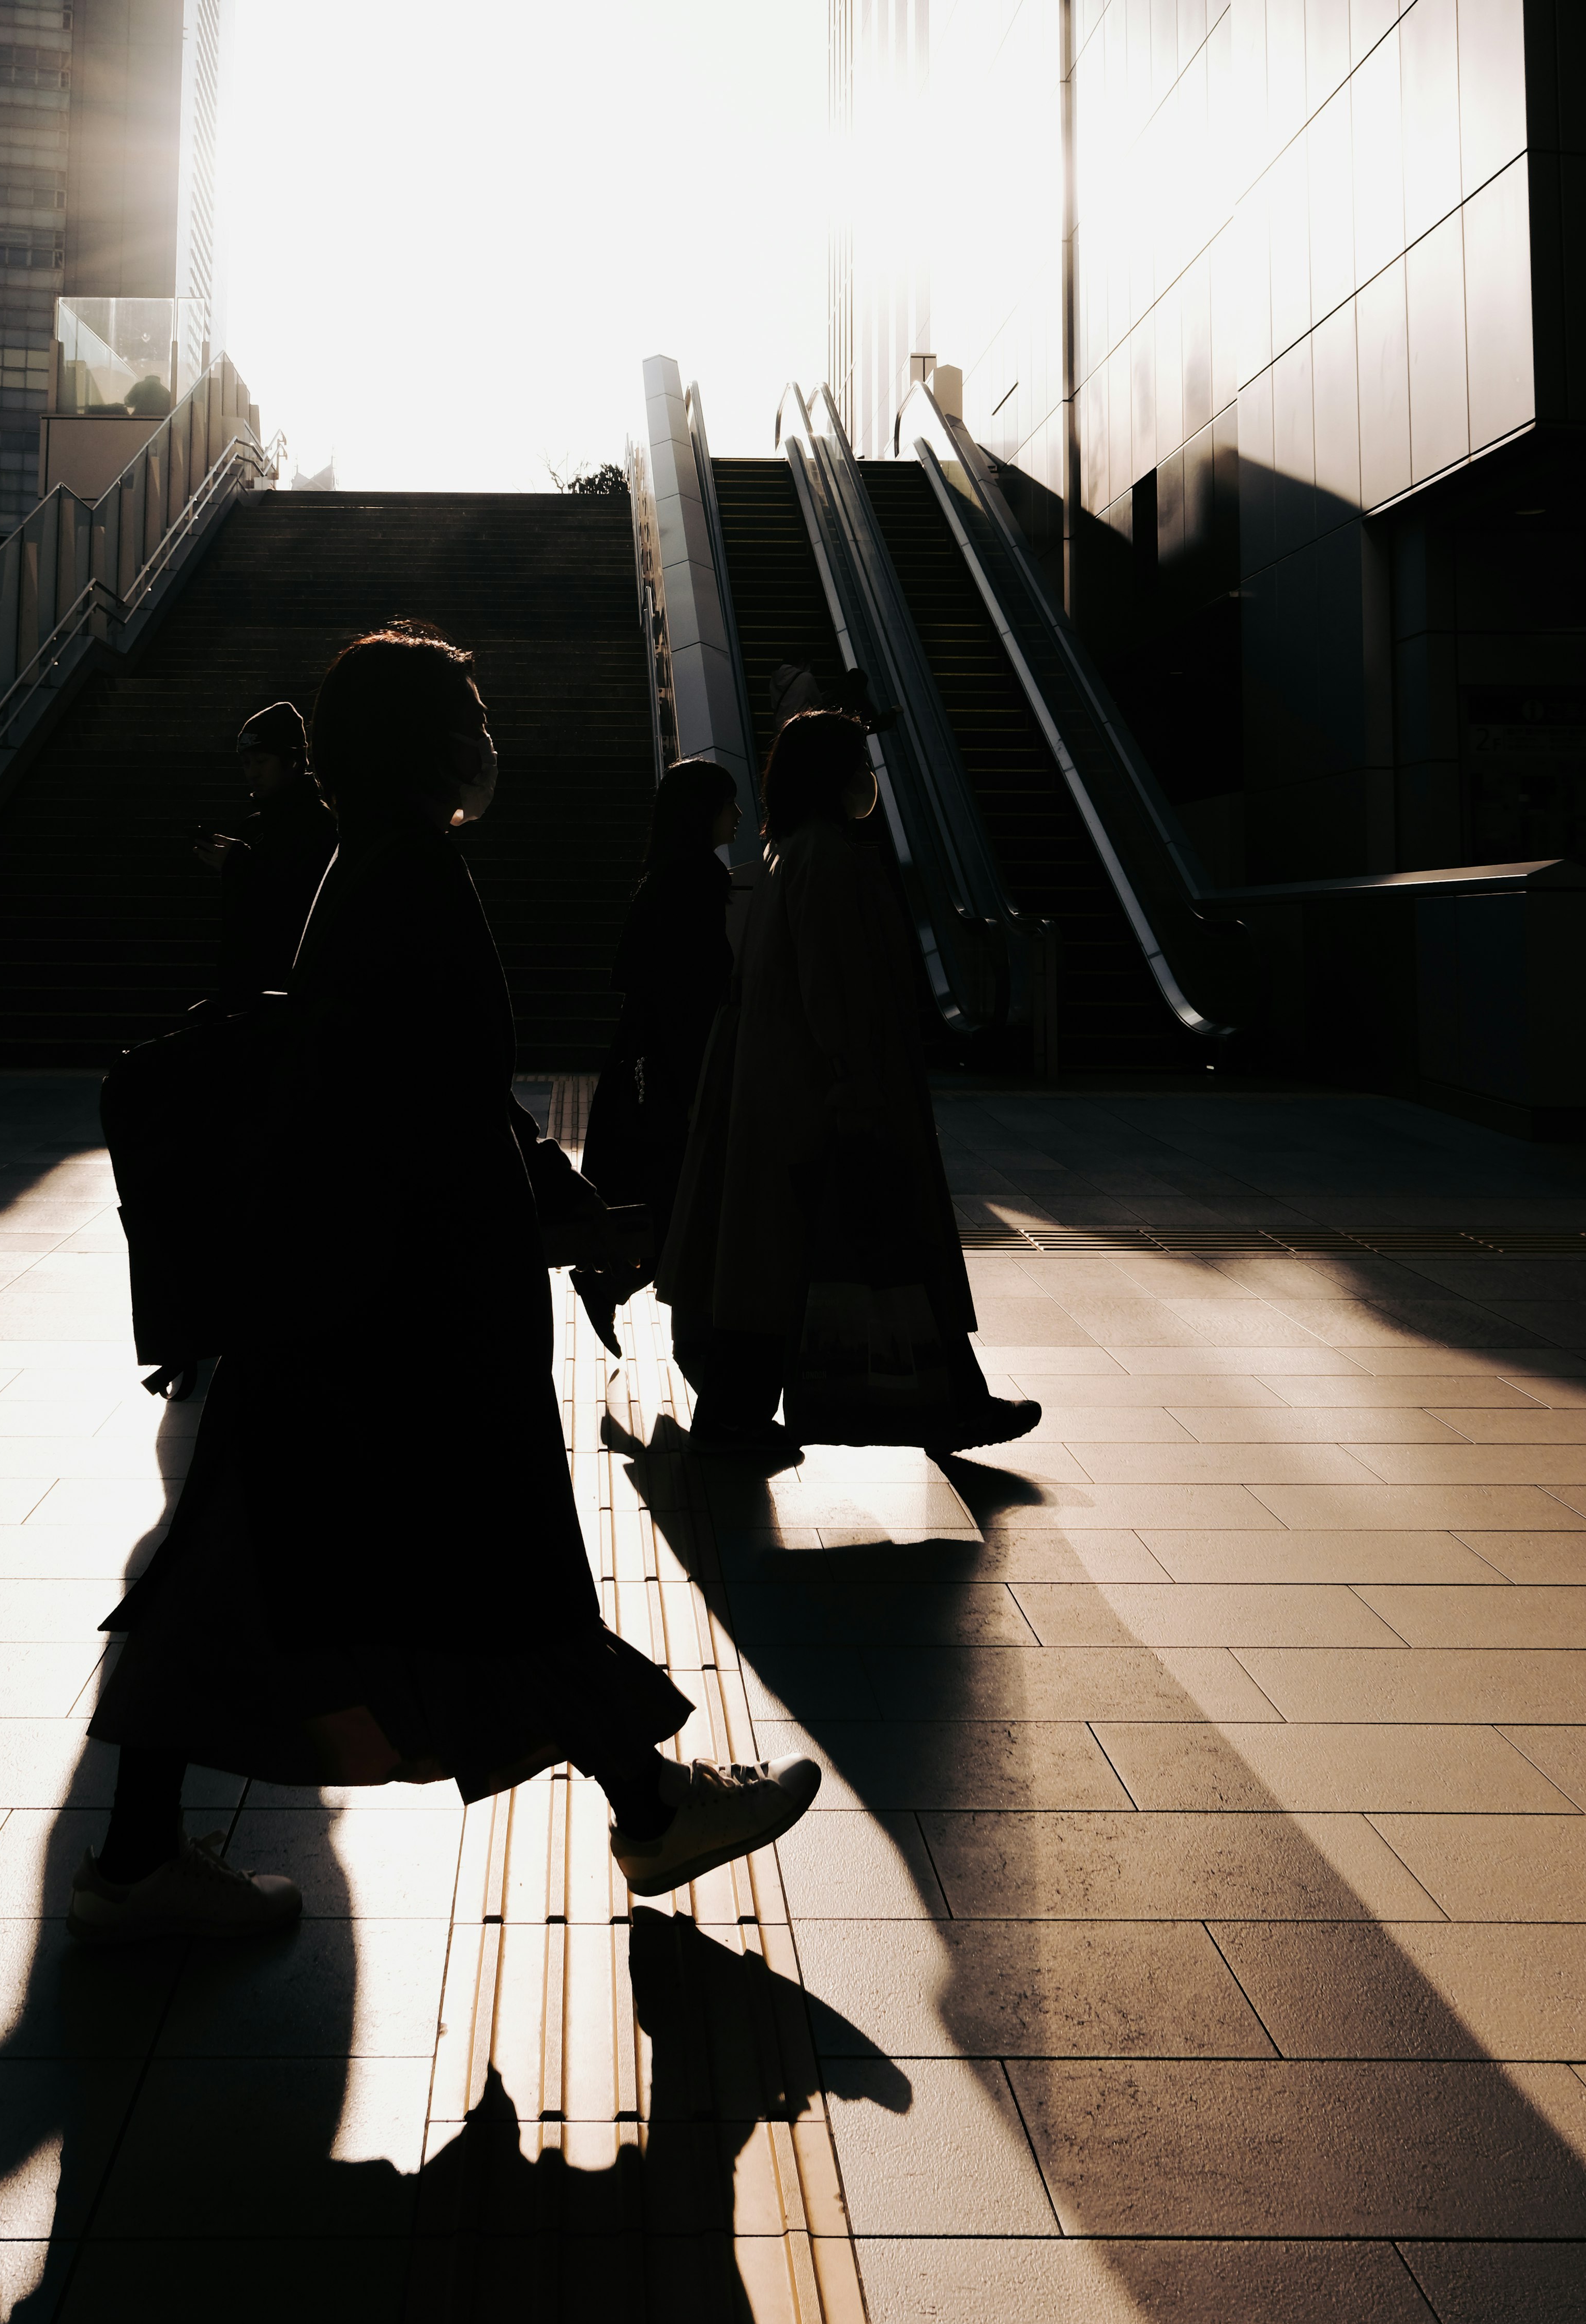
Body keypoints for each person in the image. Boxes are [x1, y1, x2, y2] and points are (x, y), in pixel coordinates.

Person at [71, 627, 820, 1944]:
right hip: (390, 1314)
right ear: (423, 738)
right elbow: (437, 1102)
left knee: (262, 1580)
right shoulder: (407, 872)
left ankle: (138, 1860)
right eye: (468, 707)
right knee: (482, 1566)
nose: (488, 729)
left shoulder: (377, 864)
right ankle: (651, 1804)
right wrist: (551, 1216)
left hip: (339, 1301)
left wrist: (551, 1202)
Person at [659, 707, 1040, 1463]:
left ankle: (746, 1415)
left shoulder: (783, 856)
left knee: (775, 1263)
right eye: (858, 762)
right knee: (887, 1244)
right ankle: (946, 1404)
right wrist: (857, 1087)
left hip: (782, 1093)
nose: (867, 779)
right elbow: (837, 985)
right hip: (829, 1095)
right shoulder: (830, 859)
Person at [571, 758, 739, 1356]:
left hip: (649, 1059)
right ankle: (613, 1280)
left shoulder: (668, 875)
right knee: (678, 1190)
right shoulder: (693, 880)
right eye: (728, 804)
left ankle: (612, 1279)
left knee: (663, 1187)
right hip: (674, 1064)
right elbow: (691, 989)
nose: (739, 817)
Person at [194, 700, 337, 1008]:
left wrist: (241, 866)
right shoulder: (254, 826)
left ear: (294, 761)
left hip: (287, 994)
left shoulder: (319, 823)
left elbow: (303, 903)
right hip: (250, 990)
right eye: (246, 763)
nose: (252, 773)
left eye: (261, 761)